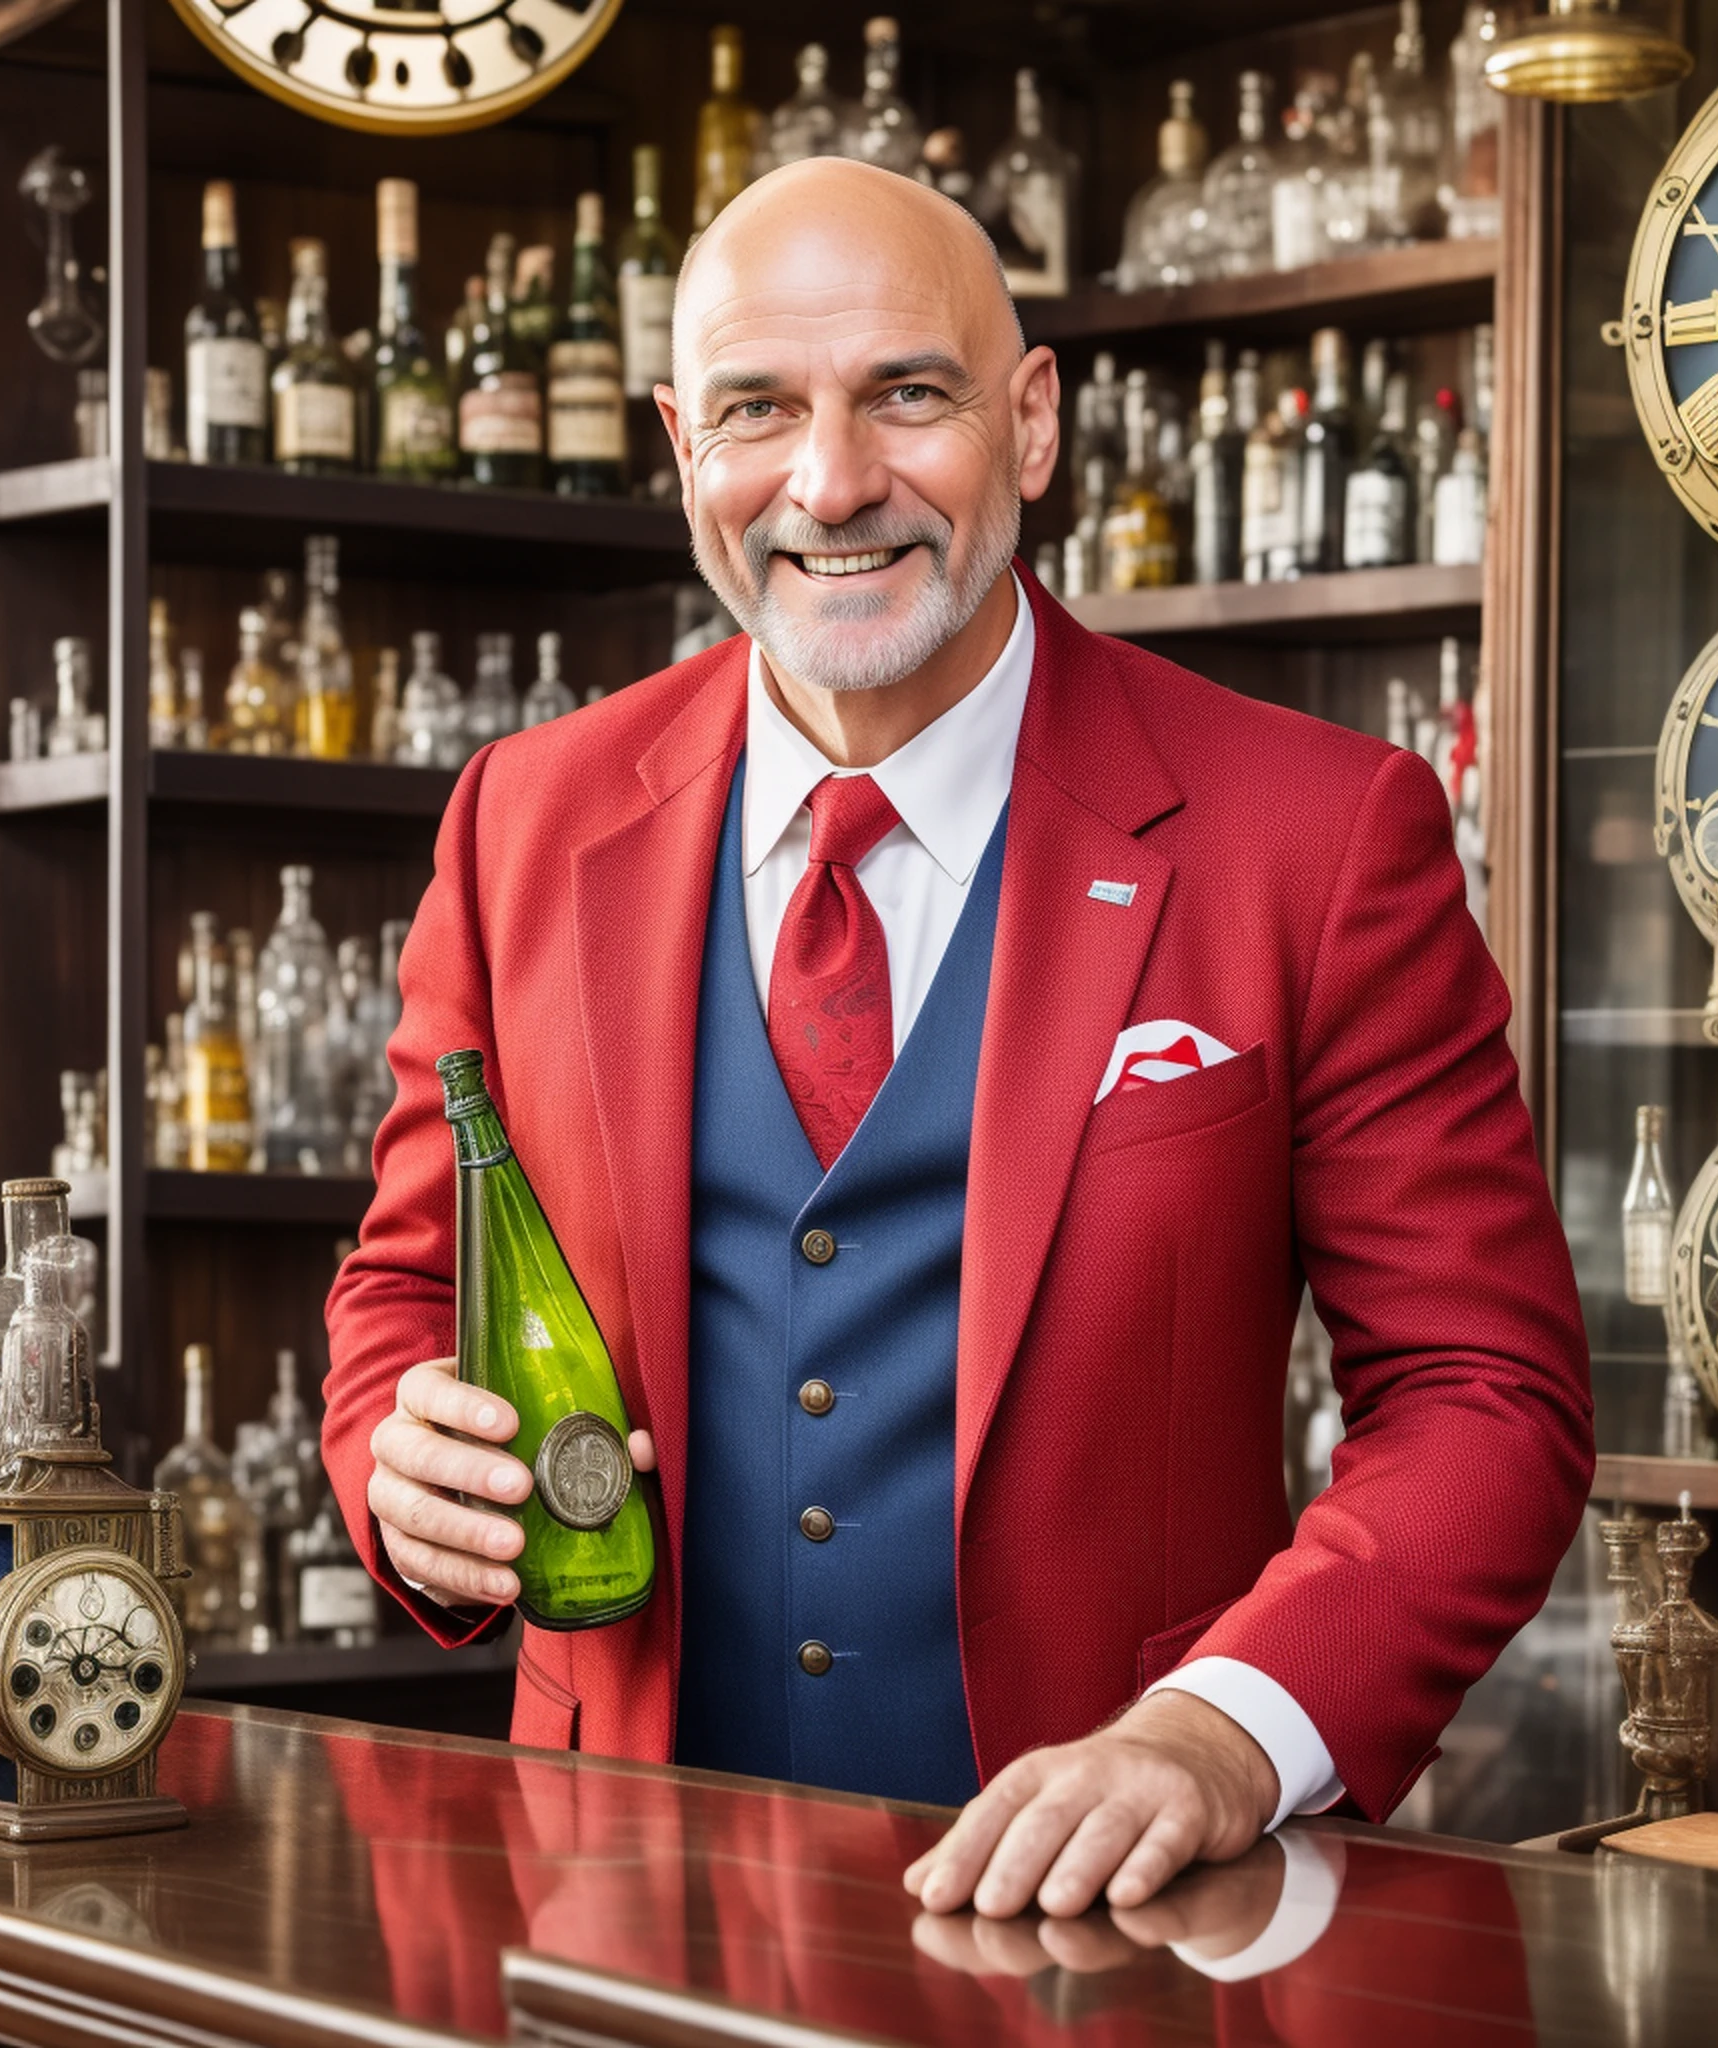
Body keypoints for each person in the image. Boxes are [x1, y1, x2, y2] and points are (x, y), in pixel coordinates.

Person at [323, 156, 1591, 1921]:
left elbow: (1484, 1395)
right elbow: (402, 1292)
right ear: (687, 447)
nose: (831, 483)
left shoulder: (1311, 834)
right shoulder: (522, 820)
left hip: (1122, 1934)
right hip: (618, 1904)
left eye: (905, 396)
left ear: (1032, 421)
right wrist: (410, 1469)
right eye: (760, 410)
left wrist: (1220, 1735)